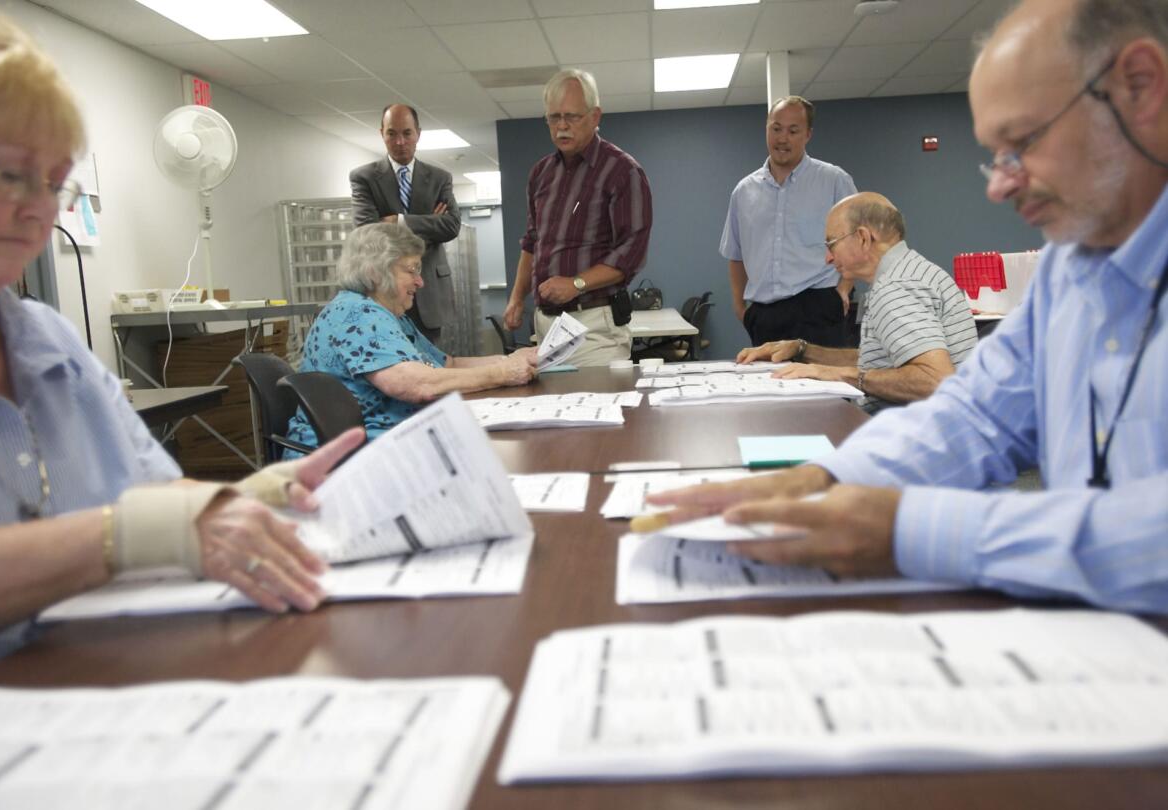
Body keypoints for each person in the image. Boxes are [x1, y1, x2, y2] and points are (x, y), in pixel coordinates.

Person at [649, 0, 1168, 614]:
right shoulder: (1071, 267)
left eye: (1023, 142)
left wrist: (916, 530)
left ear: (1139, 87)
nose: (999, 186)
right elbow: (981, 415)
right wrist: (833, 476)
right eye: (994, 155)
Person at [0, 3, 367, 689]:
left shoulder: (45, 340)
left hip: (114, 681)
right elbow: (133, 529)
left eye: (55, 182)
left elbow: (151, 496)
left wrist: (253, 498)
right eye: (11, 174)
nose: (40, 210)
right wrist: (125, 537)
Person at [287, 223, 537, 444]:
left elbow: (448, 364)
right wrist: (502, 373)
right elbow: (418, 385)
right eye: (412, 270)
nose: (421, 282)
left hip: (383, 440)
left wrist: (515, 359)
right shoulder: (358, 314)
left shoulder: (388, 314)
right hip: (350, 453)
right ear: (375, 272)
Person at [737, 192, 977, 412]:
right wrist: (803, 350)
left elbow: (935, 381)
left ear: (862, 238)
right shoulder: (914, 271)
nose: (828, 258)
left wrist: (840, 375)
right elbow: (881, 362)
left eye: (832, 244)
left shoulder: (896, 288)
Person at [502, 69, 653, 367]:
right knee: (555, 413)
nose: (561, 127)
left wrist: (576, 283)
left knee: (595, 411)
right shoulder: (540, 173)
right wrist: (517, 298)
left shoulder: (622, 171)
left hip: (594, 326)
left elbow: (631, 253)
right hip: (546, 326)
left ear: (595, 117)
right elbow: (532, 242)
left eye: (571, 117)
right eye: (554, 117)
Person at [722, 96, 858, 348]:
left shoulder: (834, 180)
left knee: (822, 387)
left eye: (793, 131)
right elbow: (735, 254)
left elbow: (858, 241)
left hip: (819, 308)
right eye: (776, 129)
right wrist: (741, 308)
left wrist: (843, 289)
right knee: (767, 386)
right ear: (766, 129)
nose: (782, 138)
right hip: (764, 315)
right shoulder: (744, 191)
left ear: (808, 135)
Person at [350, 104, 460, 345]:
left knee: (433, 368)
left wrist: (398, 220)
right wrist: (430, 222)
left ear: (418, 134)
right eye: (392, 134)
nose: (400, 142)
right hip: (384, 292)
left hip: (429, 293)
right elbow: (367, 232)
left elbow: (451, 226)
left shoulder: (440, 178)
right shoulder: (364, 178)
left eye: (407, 133)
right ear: (382, 134)